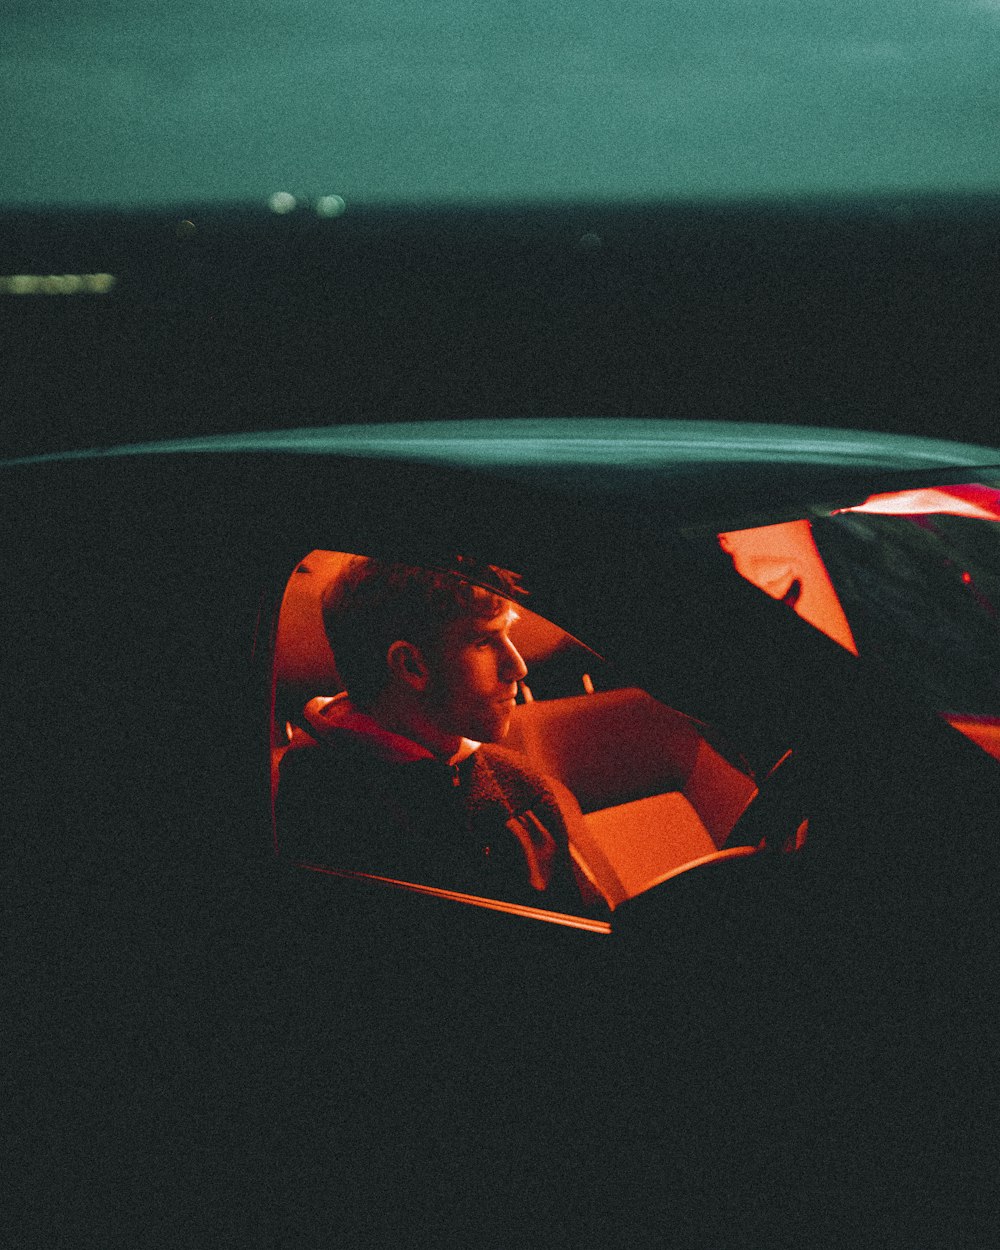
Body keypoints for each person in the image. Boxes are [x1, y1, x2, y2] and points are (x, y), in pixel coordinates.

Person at [276, 556, 605, 914]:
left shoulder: (520, 785)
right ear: (411, 665)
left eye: (507, 634)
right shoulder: (326, 807)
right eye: (483, 641)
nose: (517, 667)